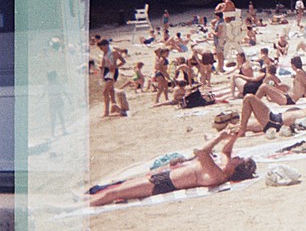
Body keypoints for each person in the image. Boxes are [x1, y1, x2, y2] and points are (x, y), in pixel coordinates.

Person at [88, 131, 256, 207]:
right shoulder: (224, 166)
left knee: (113, 194)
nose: (238, 156)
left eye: (240, 159)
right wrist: (234, 137)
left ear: (236, 168)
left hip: (162, 185)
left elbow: (201, 152)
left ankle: (81, 207)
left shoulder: (218, 175)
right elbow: (226, 151)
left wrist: (219, 137)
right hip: (164, 177)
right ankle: (82, 201)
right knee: (115, 188)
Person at [98, 39, 126, 117]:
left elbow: (123, 61)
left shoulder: (113, 52)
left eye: (101, 47)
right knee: (111, 90)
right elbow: (103, 63)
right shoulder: (105, 52)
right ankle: (113, 107)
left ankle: (106, 111)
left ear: (106, 45)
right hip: (107, 71)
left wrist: (115, 66)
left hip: (112, 71)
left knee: (105, 91)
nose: (101, 49)